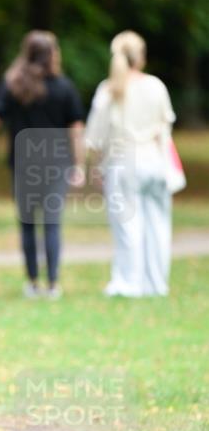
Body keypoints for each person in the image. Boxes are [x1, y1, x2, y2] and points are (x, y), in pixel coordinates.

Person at [0, 31, 84, 299]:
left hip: (23, 164)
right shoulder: (64, 87)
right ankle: (52, 284)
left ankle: (32, 282)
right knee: (52, 224)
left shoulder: (13, 85)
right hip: (56, 164)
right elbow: (76, 129)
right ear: (52, 54)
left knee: (28, 224)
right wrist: (78, 164)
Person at [85, 31, 177, 297]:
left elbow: (95, 138)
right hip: (155, 161)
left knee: (127, 225)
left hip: (123, 161)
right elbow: (164, 129)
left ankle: (128, 283)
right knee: (157, 224)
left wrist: (94, 167)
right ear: (142, 57)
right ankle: (155, 284)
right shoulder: (156, 86)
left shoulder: (109, 90)